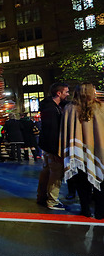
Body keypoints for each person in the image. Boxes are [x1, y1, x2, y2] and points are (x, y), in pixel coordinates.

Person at [60, 83, 104, 219]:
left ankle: (85, 210)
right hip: (98, 151)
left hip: (78, 153)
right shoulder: (101, 107)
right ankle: (100, 212)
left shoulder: (69, 108)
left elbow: (65, 131)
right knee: (100, 182)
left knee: (82, 183)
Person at [36, 82, 70, 210]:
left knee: (46, 172)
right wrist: (55, 152)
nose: (68, 94)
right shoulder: (52, 110)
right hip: (52, 147)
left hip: (46, 147)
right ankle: (52, 200)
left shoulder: (50, 106)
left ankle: (41, 197)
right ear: (59, 93)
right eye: (66, 92)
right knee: (56, 174)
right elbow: (52, 132)